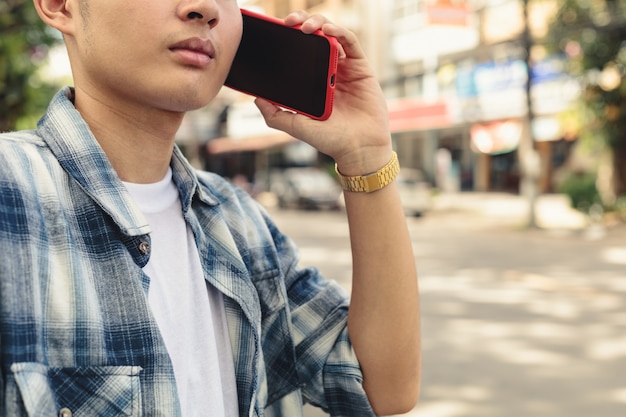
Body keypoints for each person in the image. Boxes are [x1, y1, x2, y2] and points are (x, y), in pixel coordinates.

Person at [0, 0, 421, 416]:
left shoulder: (239, 221)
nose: (205, 8)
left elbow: (382, 387)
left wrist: (367, 155)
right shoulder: (10, 195)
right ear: (60, 6)